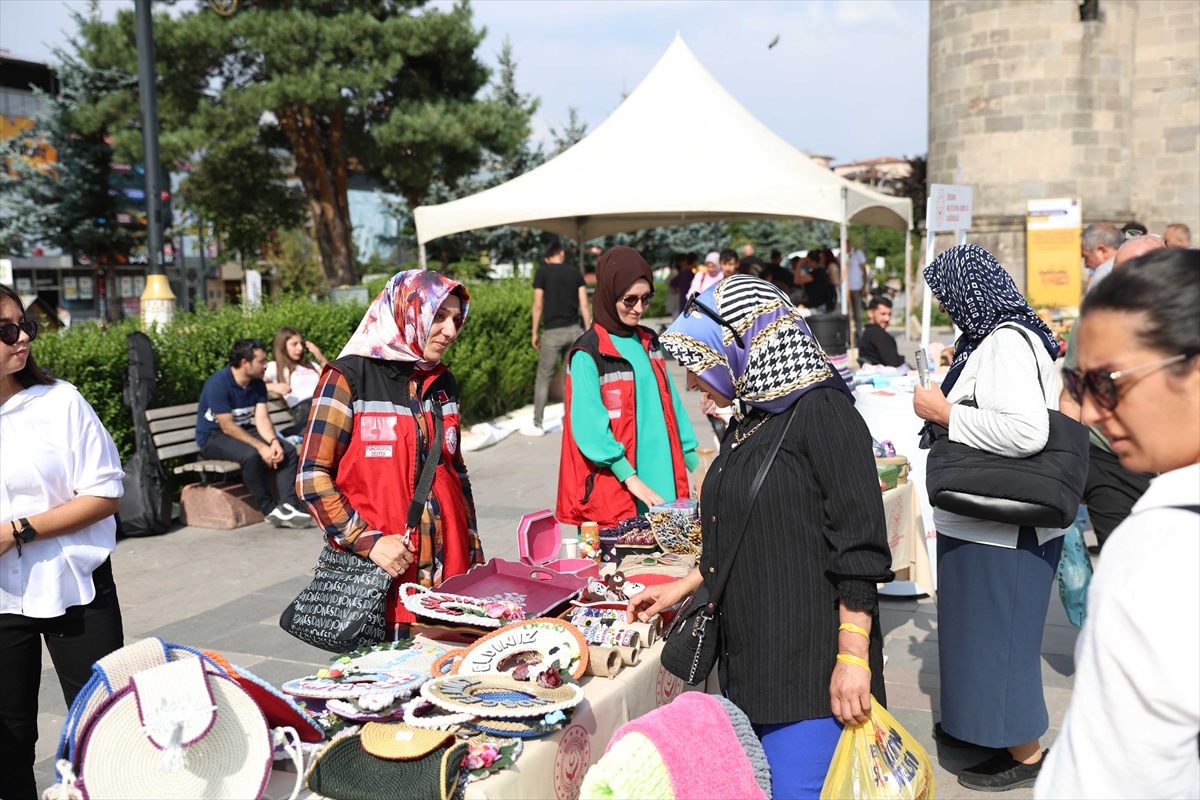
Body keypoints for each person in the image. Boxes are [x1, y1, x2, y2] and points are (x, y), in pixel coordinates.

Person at [635, 275, 894, 798]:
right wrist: (686, 585)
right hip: (751, 664)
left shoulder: (823, 411)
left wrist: (851, 659)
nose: (691, 381)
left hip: (809, 676)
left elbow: (860, 547)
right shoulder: (751, 416)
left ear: (740, 341)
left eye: (697, 360)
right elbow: (740, 529)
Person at [1036, 248, 1200, 798]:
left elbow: (1104, 778)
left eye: (1107, 383)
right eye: (1078, 386)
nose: (1094, 412)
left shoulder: (1159, 547)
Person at [912, 243, 1065, 791]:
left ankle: (1025, 755)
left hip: (1003, 528)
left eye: (947, 297)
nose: (947, 308)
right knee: (978, 637)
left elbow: (1028, 432)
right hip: (985, 525)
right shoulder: (998, 338)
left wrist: (945, 413)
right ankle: (980, 728)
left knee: (1001, 644)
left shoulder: (1004, 342)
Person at [298, 270, 485, 633]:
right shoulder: (349, 377)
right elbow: (312, 476)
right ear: (407, 310)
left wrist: (474, 550)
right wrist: (367, 542)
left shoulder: (443, 382)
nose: (451, 331)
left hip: (450, 579)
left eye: (456, 319)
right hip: (383, 585)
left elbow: (455, 472)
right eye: (439, 316)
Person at [0, 283, 126, 800]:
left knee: (101, 727)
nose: (23, 337)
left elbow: (105, 493)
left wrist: (16, 531)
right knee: (7, 741)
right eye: (7, 331)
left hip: (77, 585)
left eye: (24, 324)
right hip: (4, 600)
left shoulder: (60, 402)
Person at [557, 246, 699, 527]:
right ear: (609, 293)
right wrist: (630, 477)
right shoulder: (588, 352)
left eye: (646, 298)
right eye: (629, 299)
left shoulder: (649, 341)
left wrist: (698, 464)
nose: (639, 308)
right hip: (620, 486)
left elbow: (673, 408)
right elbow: (589, 430)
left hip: (665, 477)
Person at [1059, 233, 1167, 551]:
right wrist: (1075, 463)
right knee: (1123, 559)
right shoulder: (1092, 323)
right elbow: (1071, 397)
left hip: (1178, 468)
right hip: (1110, 463)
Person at [196, 339, 313, 528]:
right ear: (245, 363)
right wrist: (261, 447)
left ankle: (287, 506)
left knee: (288, 450)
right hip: (213, 436)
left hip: (242, 430)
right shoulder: (219, 384)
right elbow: (226, 427)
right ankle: (269, 510)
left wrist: (273, 441)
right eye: (261, 361)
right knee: (250, 456)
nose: (266, 365)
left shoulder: (256, 383)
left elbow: (261, 419)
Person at [528, 241, 591, 437]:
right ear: (562, 254)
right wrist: (588, 330)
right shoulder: (574, 273)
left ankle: (538, 424)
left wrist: (534, 331)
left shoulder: (543, 272)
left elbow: (538, 304)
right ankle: (569, 422)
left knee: (543, 378)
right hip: (573, 330)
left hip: (552, 332)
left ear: (548, 258)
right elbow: (584, 303)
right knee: (568, 379)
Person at [265, 326, 328, 436]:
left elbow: (331, 378)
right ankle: (286, 436)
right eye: (294, 344)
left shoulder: (310, 364)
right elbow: (254, 385)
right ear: (283, 346)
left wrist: (320, 357)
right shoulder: (274, 367)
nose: (300, 348)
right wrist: (273, 386)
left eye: (301, 344)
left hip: (323, 404)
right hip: (304, 411)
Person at [857, 296, 907, 368]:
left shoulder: (867, 332)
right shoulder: (877, 334)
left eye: (889, 314)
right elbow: (893, 362)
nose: (887, 318)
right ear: (870, 313)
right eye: (883, 314)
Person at [1081, 222, 1121, 292]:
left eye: (1086, 256)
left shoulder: (1102, 275)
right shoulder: (1139, 267)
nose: (1086, 265)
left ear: (1103, 251)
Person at [846, 244, 868, 339]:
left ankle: (859, 334)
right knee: (846, 314)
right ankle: (847, 335)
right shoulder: (841, 254)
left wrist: (863, 286)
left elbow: (864, 270)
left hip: (856, 287)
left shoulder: (857, 253)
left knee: (857, 314)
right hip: (845, 288)